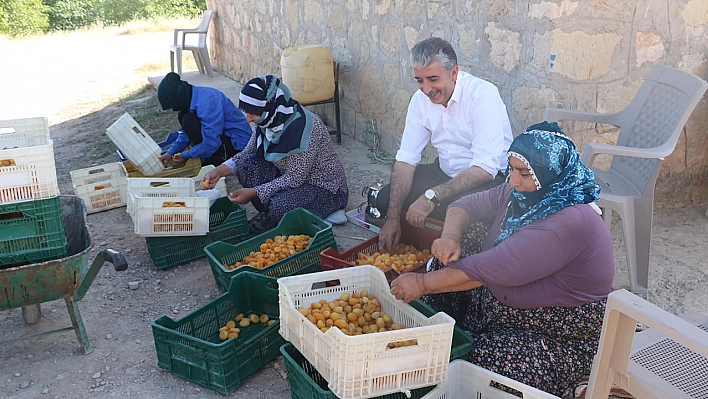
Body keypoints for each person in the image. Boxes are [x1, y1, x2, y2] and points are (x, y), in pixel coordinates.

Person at [389, 122, 615, 397]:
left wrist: (423, 284)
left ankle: (573, 374)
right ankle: (459, 327)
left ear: (551, 174)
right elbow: (465, 205)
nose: (512, 180)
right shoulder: (521, 194)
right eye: (511, 168)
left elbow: (487, 269)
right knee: (456, 249)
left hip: (556, 327)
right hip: (502, 294)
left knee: (482, 365)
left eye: (523, 173)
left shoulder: (566, 221)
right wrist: (450, 236)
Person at [377, 37, 513, 253]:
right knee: (386, 201)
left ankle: (447, 246)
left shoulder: (482, 95)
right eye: (420, 81)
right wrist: (392, 218)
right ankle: (415, 240)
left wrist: (431, 196)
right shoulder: (419, 100)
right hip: (445, 173)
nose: (426, 89)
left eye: (433, 79)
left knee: (456, 212)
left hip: (489, 179)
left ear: (454, 73)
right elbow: (406, 159)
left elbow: (486, 168)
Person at [201, 74, 349, 233]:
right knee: (245, 166)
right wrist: (218, 171)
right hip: (289, 179)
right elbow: (246, 154)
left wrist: (253, 192)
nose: (249, 119)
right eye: (247, 112)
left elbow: (294, 179)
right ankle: (274, 213)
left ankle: (321, 210)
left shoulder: (306, 129)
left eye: (252, 113)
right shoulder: (268, 121)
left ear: (268, 108)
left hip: (324, 188)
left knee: (281, 206)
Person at [156, 72, 252, 167]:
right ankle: (212, 157)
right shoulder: (194, 96)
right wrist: (171, 152)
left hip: (239, 146)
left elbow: (212, 143)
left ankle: (221, 158)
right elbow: (185, 133)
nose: (174, 109)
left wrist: (186, 155)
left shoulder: (207, 103)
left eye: (173, 105)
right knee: (184, 116)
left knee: (188, 120)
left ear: (179, 98)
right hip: (223, 136)